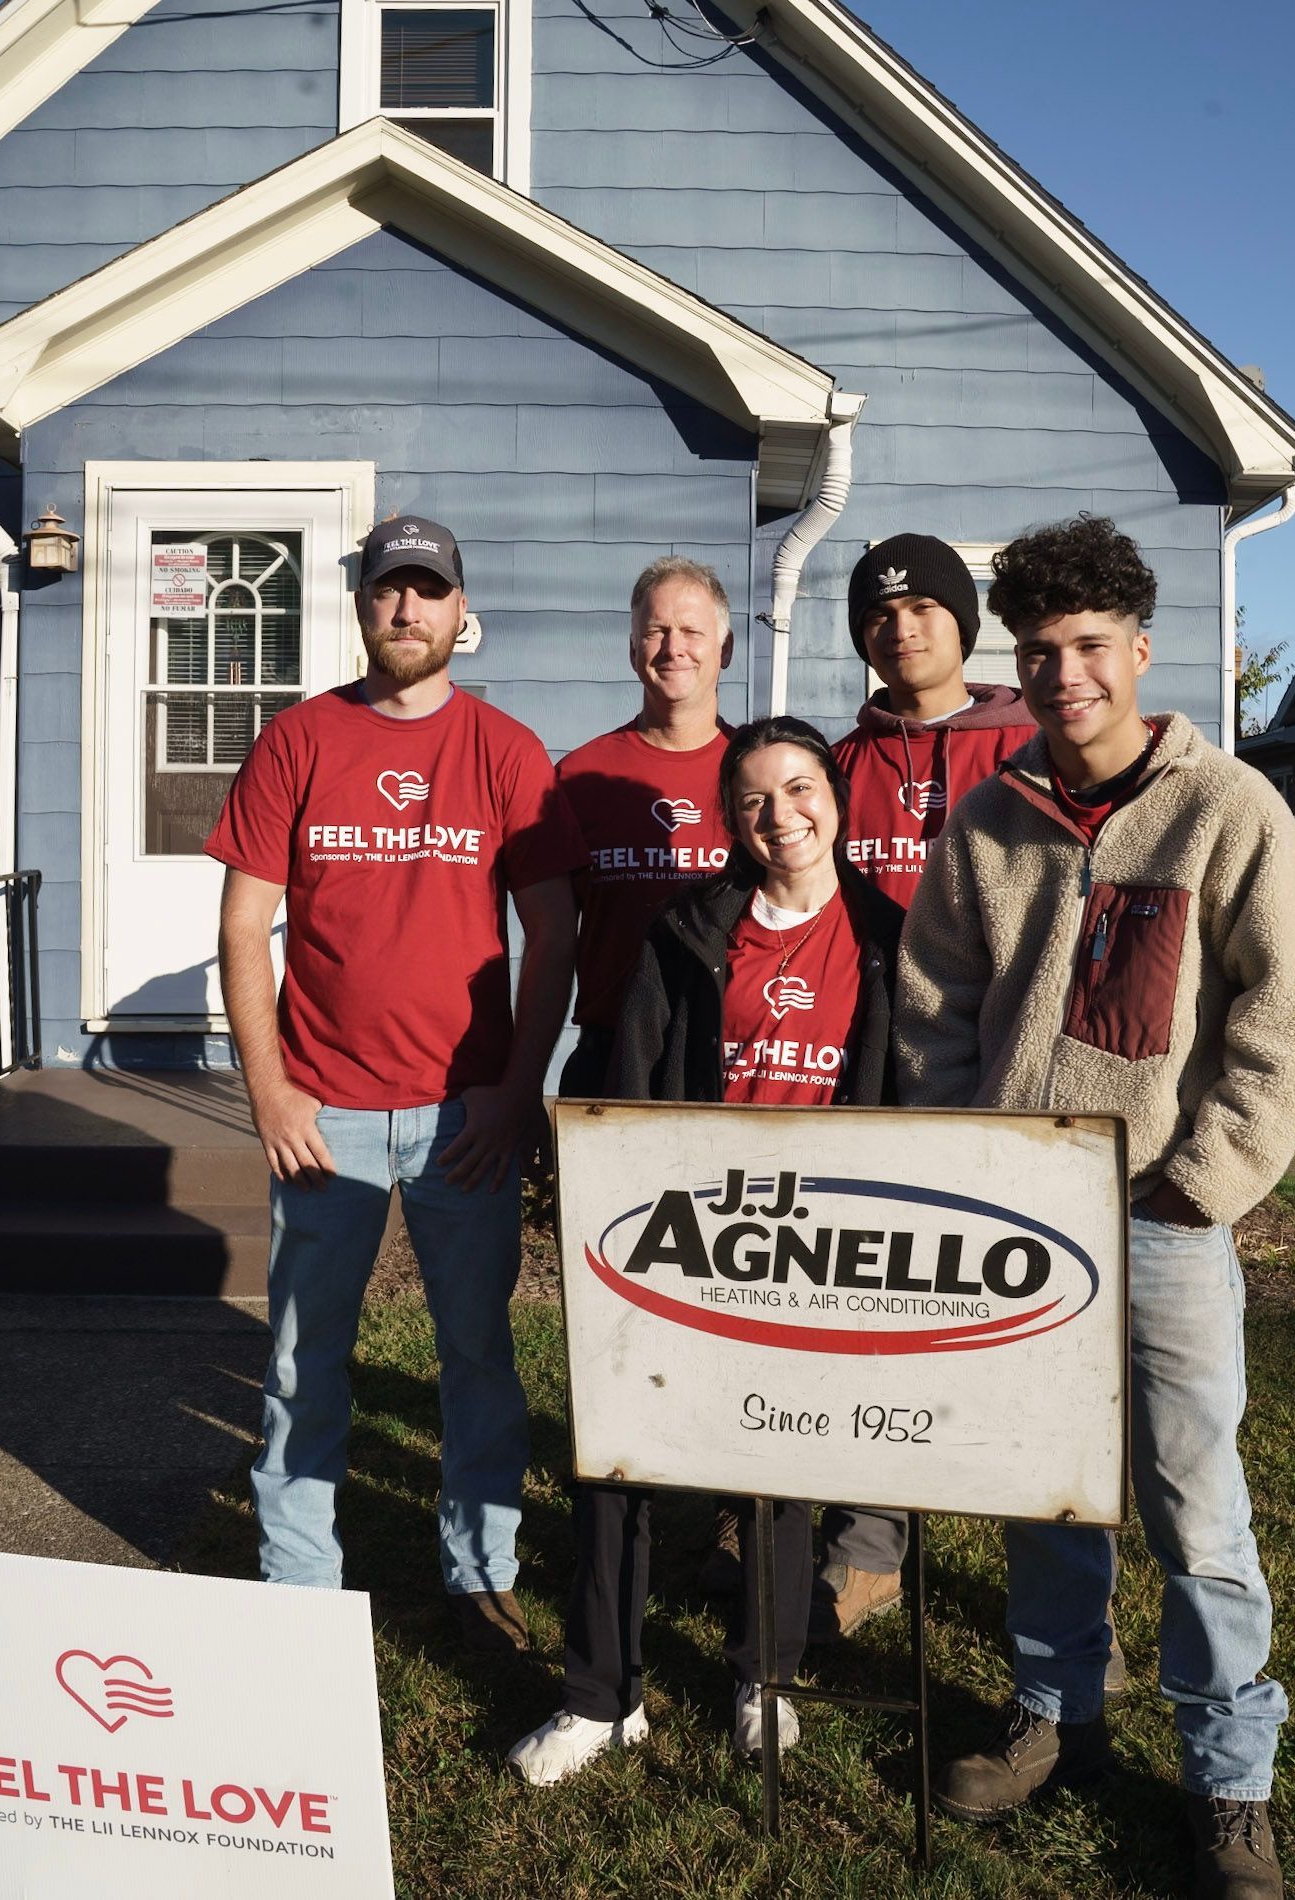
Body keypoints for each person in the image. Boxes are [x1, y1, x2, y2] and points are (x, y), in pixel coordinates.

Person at [895, 515, 1295, 1898]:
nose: (1065, 672)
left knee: (1196, 1508)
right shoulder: (987, 820)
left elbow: (1291, 1005)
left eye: (1090, 645)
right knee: (1050, 1488)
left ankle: (1229, 1781)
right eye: (1040, 650)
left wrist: (1204, 1176)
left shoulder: (1229, 810)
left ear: (1140, 651)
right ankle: (1056, 1711)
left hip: (1162, 1222)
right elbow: (933, 1008)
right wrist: (967, 1168)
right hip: (1020, 1219)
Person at [207, 514, 584, 1655]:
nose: (407, 610)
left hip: (463, 1112)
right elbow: (243, 923)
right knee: (302, 1359)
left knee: (476, 1350)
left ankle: (480, 1577)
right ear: (363, 607)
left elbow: (554, 934)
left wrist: (517, 1095)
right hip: (324, 1113)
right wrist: (269, 1092)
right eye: (388, 591)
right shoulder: (300, 739)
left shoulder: (507, 750)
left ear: (459, 611)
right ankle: (298, 1593)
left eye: (428, 591)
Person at [507, 717, 905, 1784]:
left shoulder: (890, 936)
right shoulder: (689, 929)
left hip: (819, 1246)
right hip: (689, 1232)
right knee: (618, 1458)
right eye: (755, 800)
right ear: (732, 820)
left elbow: (915, 1099)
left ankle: (761, 1679)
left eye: (801, 787)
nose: (783, 815)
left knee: (775, 1465)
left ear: (836, 795)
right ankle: (601, 1694)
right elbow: (632, 1084)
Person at [812, 534, 1037, 1643]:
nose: (901, 628)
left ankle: (1047, 1571)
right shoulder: (841, 764)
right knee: (872, 1307)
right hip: (873, 1068)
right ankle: (868, 1545)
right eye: (880, 614)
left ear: (965, 620)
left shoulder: (1031, 745)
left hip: (1006, 1066)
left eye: (923, 609)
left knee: (1012, 1320)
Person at [555, 556, 734, 1097]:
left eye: (691, 631)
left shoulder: (760, 776)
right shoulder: (579, 777)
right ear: (633, 650)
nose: (673, 648)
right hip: (609, 1056)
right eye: (655, 631)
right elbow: (550, 942)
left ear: (724, 650)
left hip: (728, 1052)